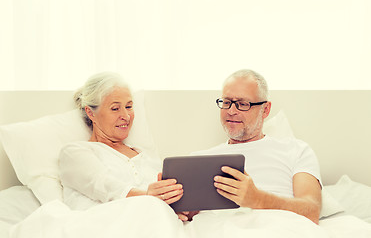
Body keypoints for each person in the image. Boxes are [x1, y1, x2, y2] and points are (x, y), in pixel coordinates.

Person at [192, 69, 322, 224]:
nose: (231, 111)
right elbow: (190, 213)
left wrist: (257, 199)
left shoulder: (296, 150)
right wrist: (180, 207)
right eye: (226, 102)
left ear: (265, 109)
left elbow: (312, 210)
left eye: (242, 104)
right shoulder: (198, 160)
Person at [59, 72, 184, 211]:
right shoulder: (74, 153)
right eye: (115, 108)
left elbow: (169, 200)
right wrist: (149, 198)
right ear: (90, 113)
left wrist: (183, 209)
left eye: (129, 107)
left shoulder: (147, 157)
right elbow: (103, 185)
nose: (126, 116)